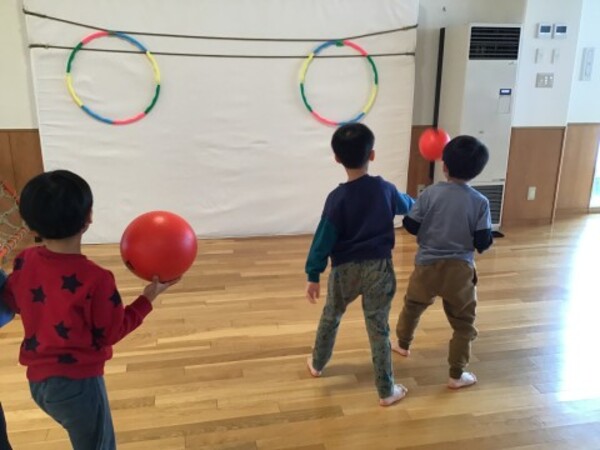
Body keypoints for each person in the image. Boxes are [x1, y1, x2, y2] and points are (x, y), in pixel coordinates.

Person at [1, 170, 177, 449]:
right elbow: (111, 332)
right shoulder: (96, 279)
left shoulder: (25, 260)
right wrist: (148, 298)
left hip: (38, 383)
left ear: (31, 227)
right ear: (88, 219)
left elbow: (14, 300)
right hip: (78, 386)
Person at [304, 123, 415, 406]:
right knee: (378, 328)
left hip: (345, 270)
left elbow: (323, 239)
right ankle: (386, 391)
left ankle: (317, 363)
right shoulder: (385, 189)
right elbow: (408, 206)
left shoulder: (336, 198)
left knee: (331, 315)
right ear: (372, 155)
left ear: (336, 158)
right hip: (379, 269)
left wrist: (313, 274)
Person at [392, 135, 493, 389]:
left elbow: (410, 225)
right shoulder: (480, 202)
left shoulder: (429, 193)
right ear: (477, 171)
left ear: (444, 166)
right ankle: (456, 374)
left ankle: (402, 344)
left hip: (426, 265)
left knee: (412, 305)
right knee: (463, 324)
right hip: (460, 271)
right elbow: (483, 242)